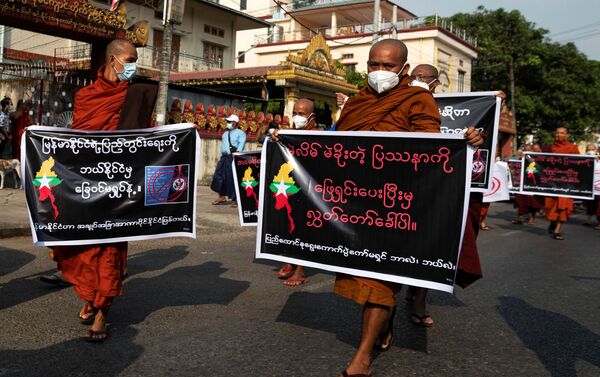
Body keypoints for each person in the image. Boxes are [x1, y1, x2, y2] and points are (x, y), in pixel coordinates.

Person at [333, 39, 482, 377]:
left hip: (398, 206)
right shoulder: (356, 103)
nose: (379, 72)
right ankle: (384, 328)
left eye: (388, 66)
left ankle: (362, 358)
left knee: (379, 280)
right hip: (358, 205)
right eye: (374, 65)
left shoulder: (418, 99)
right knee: (360, 274)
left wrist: (467, 143)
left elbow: (432, 148)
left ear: (403, 69)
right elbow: (336, 146)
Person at [51, 39, 156, 342]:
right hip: (88, 184)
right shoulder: (86, 96)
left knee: (111, 251)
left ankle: (102, 314)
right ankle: (89, 298)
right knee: (83, 247)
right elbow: (77, 140)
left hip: (120, 186)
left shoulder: (139, 94)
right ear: (112, 60)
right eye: (131, 59)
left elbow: (146, 138)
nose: (135, 65)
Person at [275, 98, 316, 287]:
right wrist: (277, 137)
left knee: (303, 230)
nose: (297, 117)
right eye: (295, 113)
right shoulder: (288, 134)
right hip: (291, 189)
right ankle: (290, 261)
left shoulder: (318, 136)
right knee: (287, 225)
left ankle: (300, 269)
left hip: (310, 193)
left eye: (301, 114)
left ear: (311, 116)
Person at [543, 127, 580, 240]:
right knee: (550, 206)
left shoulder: (573, 148)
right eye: (558, 132)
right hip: (552, 183)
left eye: (562, 133)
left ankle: (557, 230)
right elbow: (541, 160)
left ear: (567, 135)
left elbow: (580, 163)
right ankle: (553, 222)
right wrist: (527, 158)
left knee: (563, 206)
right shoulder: (549, 147)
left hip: (567, 183)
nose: (559, 135)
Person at [211, 114, 246, 208]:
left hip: (233, 156)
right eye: (227, 122)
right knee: (219, 176)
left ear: (235, 123)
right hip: (224, 157)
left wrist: (237, 153)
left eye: (230, 122)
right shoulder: (225, 133)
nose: (228, 123)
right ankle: (221, 196)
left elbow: (242, 143)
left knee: (232, 177)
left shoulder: (240, 133)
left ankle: (235, 199)